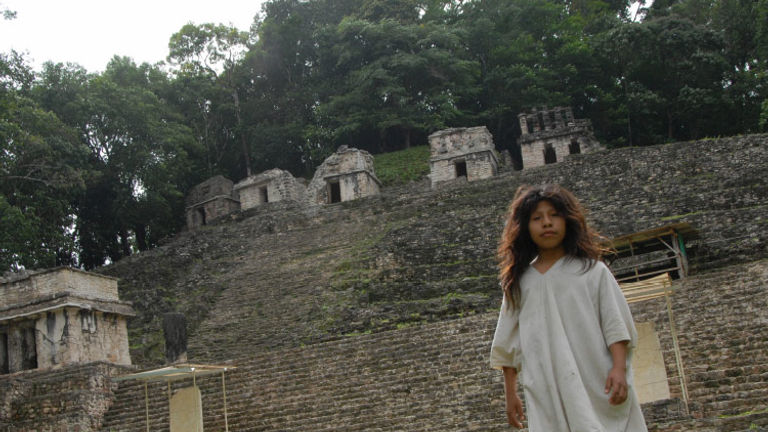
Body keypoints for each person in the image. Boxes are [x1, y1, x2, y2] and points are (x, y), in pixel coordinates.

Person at [490, 184, 648, 431]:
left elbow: (614, 323)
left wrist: (618, 368)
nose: (547, 223)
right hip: (545, 382)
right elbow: (508, 342)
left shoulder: (592, 271)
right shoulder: (519, 282)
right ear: (524, 228)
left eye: (554, 215)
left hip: (593, 373)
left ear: (568, 221)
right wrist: (510, 394)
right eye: (537, 218)